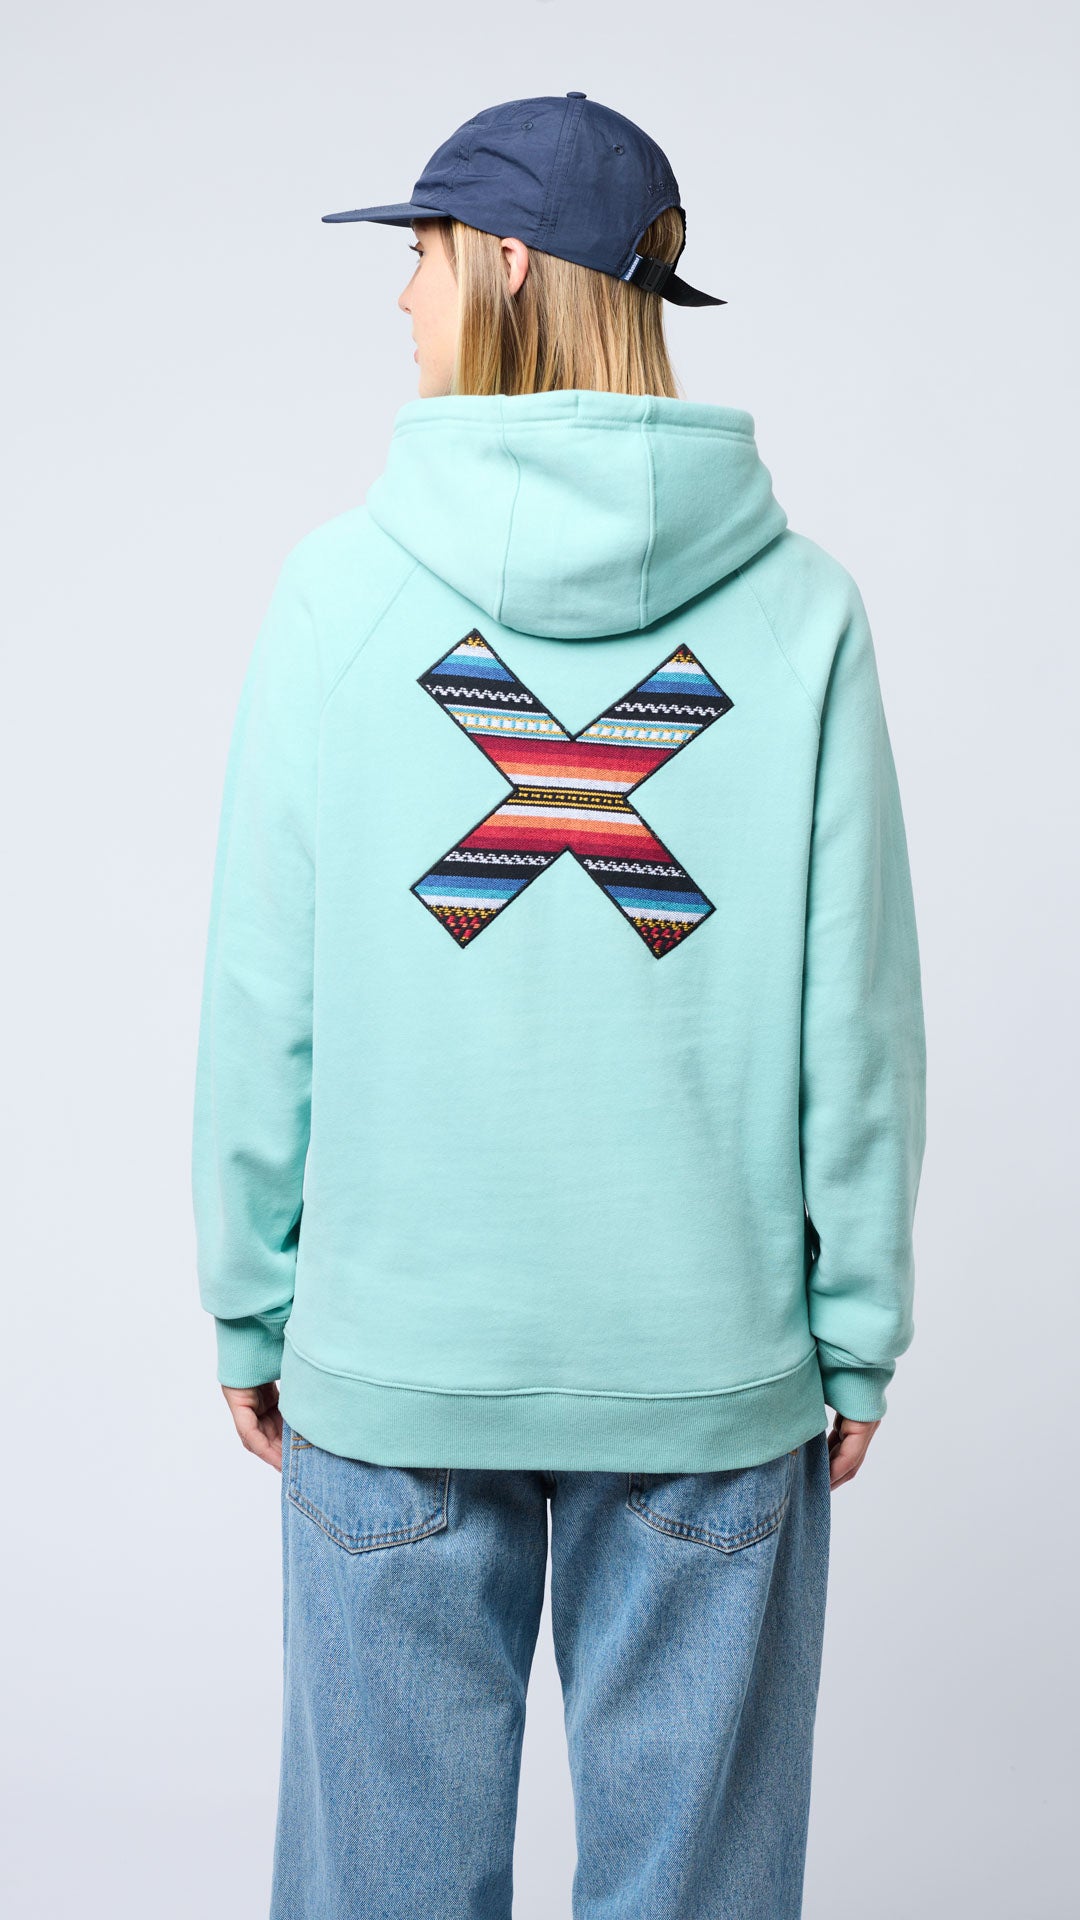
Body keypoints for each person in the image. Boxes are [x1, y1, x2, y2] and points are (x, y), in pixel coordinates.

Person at [191, 90, 927, 1920]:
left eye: (424, 257)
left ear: (508, 266)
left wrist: (251, 1296)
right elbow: (857, 1024)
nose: (403, 299)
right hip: (706, 1370)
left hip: (398, 1359)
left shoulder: (337, 599)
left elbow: (265, 990)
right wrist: (853, 1327)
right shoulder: (805, 617)